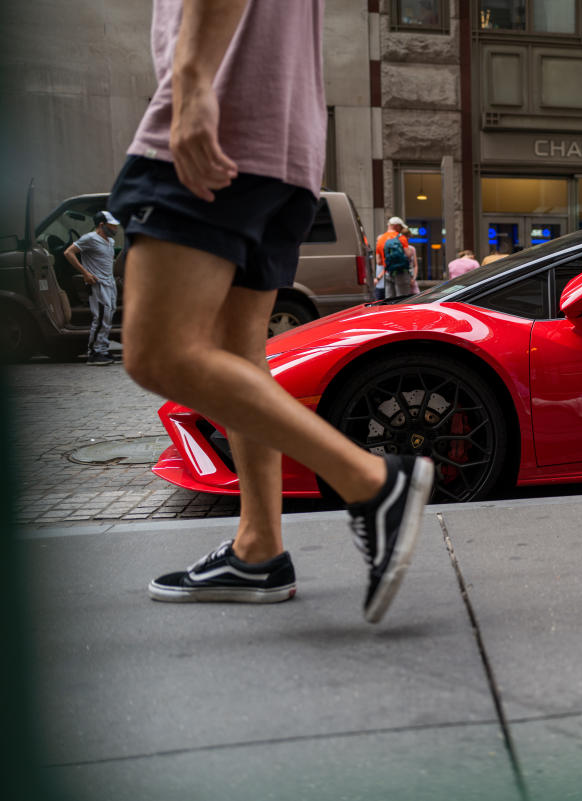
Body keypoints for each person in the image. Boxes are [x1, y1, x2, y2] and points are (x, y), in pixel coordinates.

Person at [108, 0, 434, 623]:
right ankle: (259, 548)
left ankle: (374, 483)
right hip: (284, 148)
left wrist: (195, 81)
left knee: (158, 352)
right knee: (237, 359)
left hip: (223, 121)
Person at [64, 211, 122, 365]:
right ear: (101, 225)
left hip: (110, 283)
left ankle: (102, 350)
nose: (115, 229)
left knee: (108, 317)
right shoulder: (89, 238)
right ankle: (94, 353)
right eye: (112, 226)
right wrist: (85, 273)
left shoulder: (110, 241)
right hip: (97, 283)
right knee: (101, 317)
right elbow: (68, 252)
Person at [374, 216, 409, 297]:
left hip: (388, 272)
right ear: (397, 226)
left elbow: (378, 262)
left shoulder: (380, 239)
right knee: (403, 299)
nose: (401, 229)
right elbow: (408, 254)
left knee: (390, 300)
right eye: (401, 227)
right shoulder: (401, 238)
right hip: (402, 272)